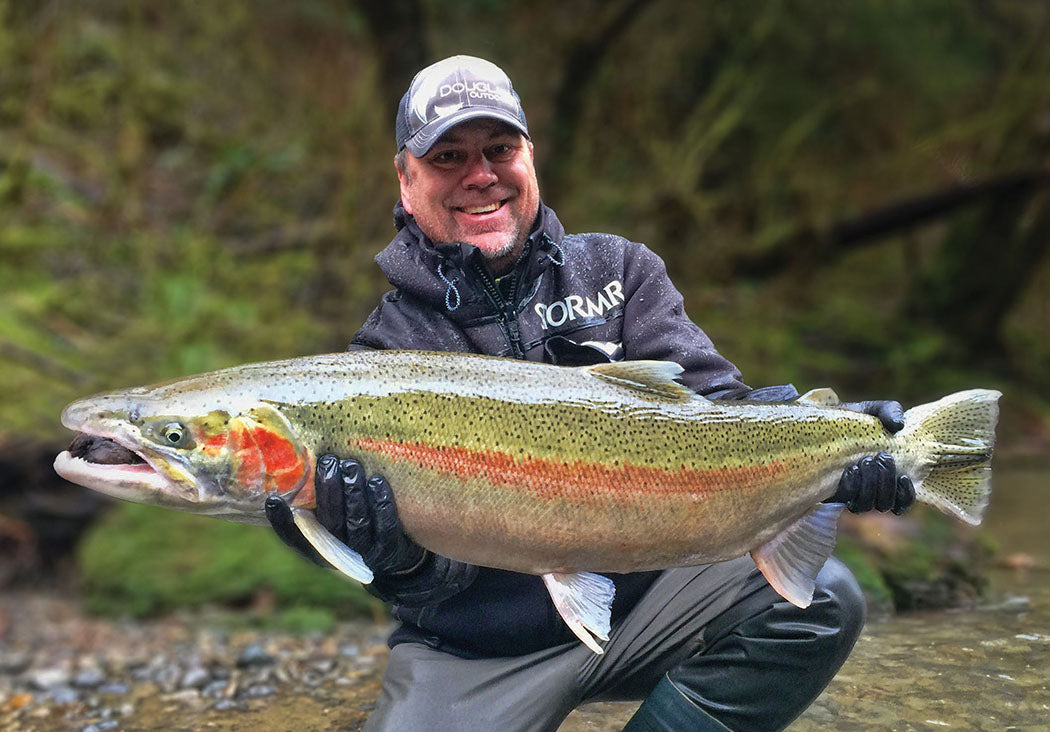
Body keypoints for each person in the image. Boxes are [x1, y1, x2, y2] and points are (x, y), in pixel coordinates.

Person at [266, 55, 915, 731]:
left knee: (822, 602)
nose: (480, 175)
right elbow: (417, 579)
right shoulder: (386, 354)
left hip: (651, 603)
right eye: (449, 157)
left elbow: (718, 415)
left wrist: (829, 440)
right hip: (478, 651)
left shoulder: (619, 271)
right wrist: (394, 558)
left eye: (499, 149)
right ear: (406, 181)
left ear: (530, 157)